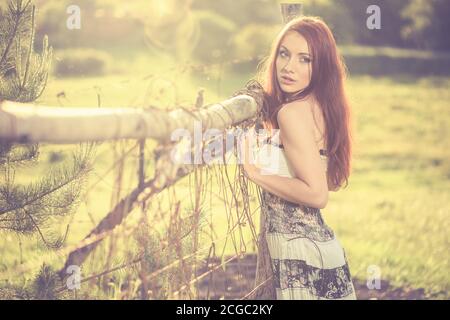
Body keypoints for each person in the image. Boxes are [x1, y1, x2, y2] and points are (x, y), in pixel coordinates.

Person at [240, 16, 357, 300]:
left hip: (298, 258)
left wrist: (257, 173)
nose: (289, 67)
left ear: (321, 66)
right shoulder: (320, 107)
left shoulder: (292, 113)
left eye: (305, 59)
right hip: (323, 253)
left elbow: (317, 194)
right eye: (284, 53)